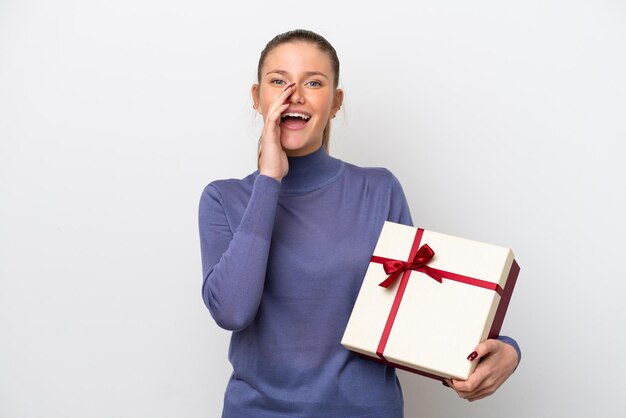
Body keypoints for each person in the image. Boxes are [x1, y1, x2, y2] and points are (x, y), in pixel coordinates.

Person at [198, 29, 521, 418]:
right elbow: (232, 311)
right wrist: (269, 181)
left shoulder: (379, 189)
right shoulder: (223, 199)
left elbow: (416, 313)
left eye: (313, 82)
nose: (294, 95)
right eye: (279, 81)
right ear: (257, 97)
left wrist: (508, 350)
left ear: (335, 102)